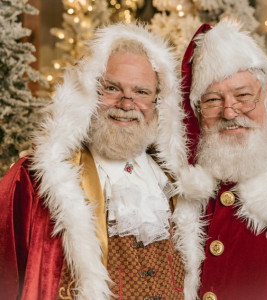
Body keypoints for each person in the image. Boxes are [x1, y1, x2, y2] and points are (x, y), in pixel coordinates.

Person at [0, 23, 189, 300]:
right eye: (111, 88)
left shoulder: (176, 182)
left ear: (159, 102)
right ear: (86, 93)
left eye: (141, 92)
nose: (126, 104)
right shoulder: (31, 182)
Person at [173, 19, 267, 300]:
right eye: (212, 101)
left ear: (266, 93)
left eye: (243, 96)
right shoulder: (176, 181)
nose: (229, 113)